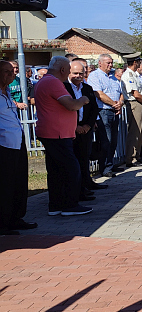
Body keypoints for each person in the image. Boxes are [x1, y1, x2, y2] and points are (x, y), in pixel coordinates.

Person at [34, 56, 92, 216]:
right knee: (71, 168)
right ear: (62, 70)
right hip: (57, 134)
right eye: (68, 71)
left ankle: (56, 205)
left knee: (56, 171)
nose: (68, 75)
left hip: (51, 132)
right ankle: (69, 205)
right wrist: (83, 99)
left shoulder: (43, 82)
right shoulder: (53, 82)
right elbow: (71, 105)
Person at [0, 60, 35, 234]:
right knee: (5, 184)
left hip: (17, 143)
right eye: (6, 72)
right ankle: (3, 222)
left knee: (19, 182)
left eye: (11, 72)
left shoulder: (7, 93)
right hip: (4, 146)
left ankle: (16, 218)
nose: (10, 75)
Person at [66, 60, 103, 198]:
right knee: (73, 161)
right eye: (75, 73)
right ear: (69, 73)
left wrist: (88, 125)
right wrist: (75, 126)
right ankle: (78, 190)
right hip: (71, 129)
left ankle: (86, 185)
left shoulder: (87, 88)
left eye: (81, 73)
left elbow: (94, 108)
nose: (78, 76)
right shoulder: (64, 88)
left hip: (86, 128)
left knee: (84, 157)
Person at [87, 54, 125, 177]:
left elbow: (121, 92)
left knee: (113, 140)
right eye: (108, 63)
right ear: (100, 63)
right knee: (106, 140)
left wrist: (120, 103)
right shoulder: (95, 76)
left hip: (114, 110)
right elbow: (99, 94)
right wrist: (114, 104)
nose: (110, 65)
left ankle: (110, 164)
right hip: (103, 111)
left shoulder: (114, 77)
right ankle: (104, 168)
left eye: (111, 62)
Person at [121, 55, 142, 167]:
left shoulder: (135, 75)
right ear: (135, 62)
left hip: (140, 103)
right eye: (138, 61)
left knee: (140, 131)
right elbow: (135, 94)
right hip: (134, 103)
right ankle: (131, 158)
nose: (140, 64)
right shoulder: (128, 75)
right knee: (134, 131)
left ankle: (137, 156)